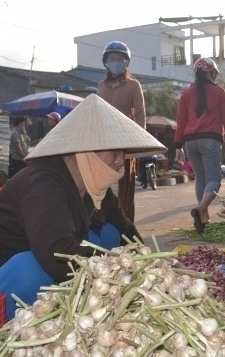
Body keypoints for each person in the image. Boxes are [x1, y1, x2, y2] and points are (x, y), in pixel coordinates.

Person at [0, 94, 166, 320]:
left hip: (41, 255)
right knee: (34, 269)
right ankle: (14, 325)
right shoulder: (45, 182)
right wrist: (119, 266)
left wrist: (150, 263)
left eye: (123, 153)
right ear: (85, 150)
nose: (120, 160)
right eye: (114, 151)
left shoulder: (95, 187)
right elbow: (58, 254)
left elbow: (126, 230)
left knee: (109, 233)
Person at [175, 57, 225, 233]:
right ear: (212, 73)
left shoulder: (186, 93)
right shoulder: (219, 92)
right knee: (214, 179)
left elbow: (181, 121)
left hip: (190, 142)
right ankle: (201, 209)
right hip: (211, 140)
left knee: (201, 179)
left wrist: (178, 146)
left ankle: (204, 217)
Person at [97, 41, 146, 223]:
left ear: (126, 62)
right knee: (100, 183)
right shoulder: (101, 86)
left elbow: (140, 114)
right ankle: (101, 221)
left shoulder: (133, 85)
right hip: (103, 141)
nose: (115, 62)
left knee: (127, 186)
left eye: (119, 59)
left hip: (127, 140)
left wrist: (140, 142)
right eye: (112, 59)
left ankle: (126, 225)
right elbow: (96, 113)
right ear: (106, 61)